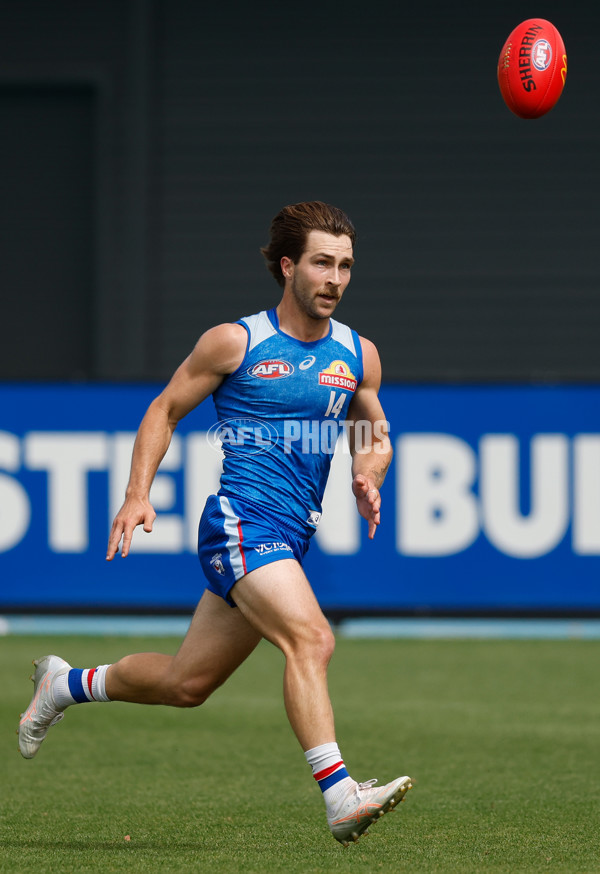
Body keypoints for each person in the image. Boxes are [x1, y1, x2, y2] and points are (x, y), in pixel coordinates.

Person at [18, 201, 412, 846]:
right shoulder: (236, 341)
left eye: (344, 265)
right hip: (239, 521)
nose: (335, 278)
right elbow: (164, 409)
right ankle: (341, 796)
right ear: (288, 267)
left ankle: (66, 683)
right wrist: (136, 494)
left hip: (290, 533)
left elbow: (373, 429)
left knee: (187, 683)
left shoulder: (357, 353)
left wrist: (370, 472)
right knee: (311, 640)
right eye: (321, 263)